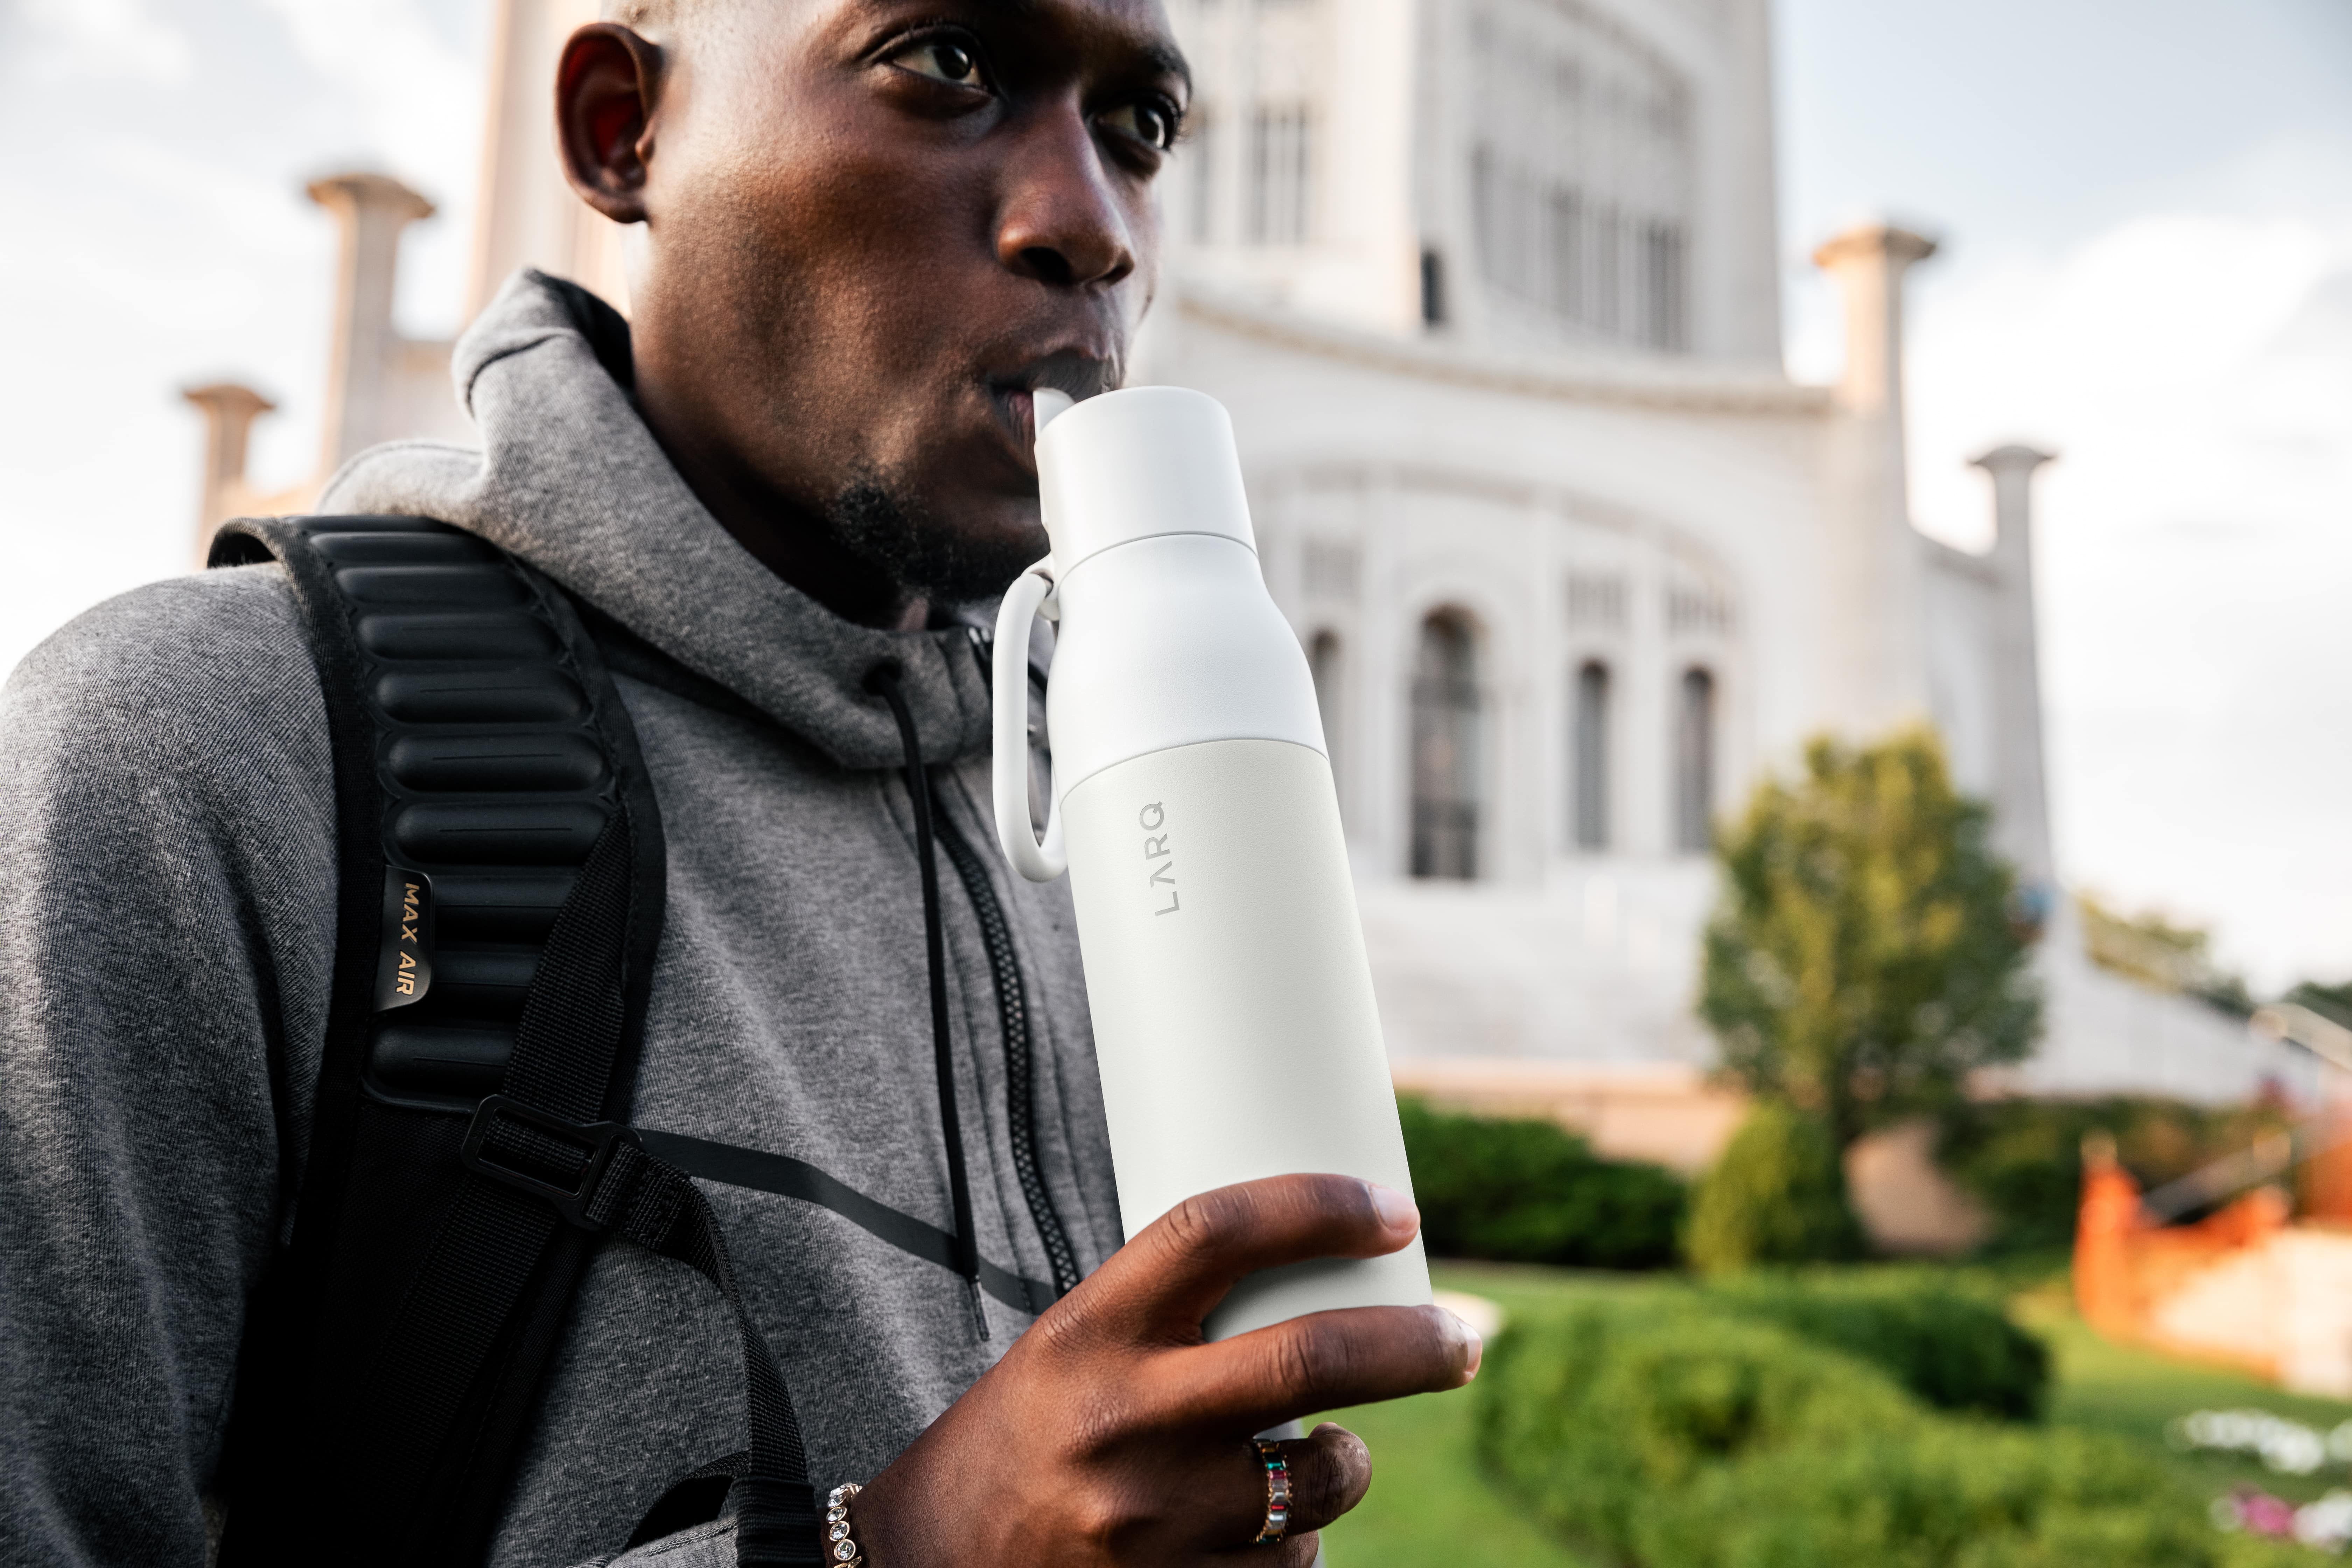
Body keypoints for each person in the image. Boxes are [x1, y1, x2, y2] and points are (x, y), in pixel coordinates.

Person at [0, 0, 1479, 1563]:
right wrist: (887, 1549)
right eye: (948, 65)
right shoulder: (209, 752)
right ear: (620, 131)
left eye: (1141, 129)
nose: (1089, 224)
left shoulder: (1103, 824)